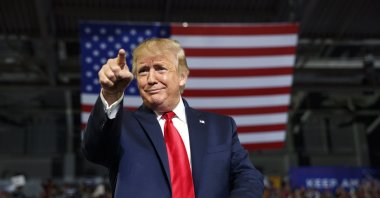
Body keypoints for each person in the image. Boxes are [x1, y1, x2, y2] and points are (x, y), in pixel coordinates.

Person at [82, 38, 264, 198]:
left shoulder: (221, 127)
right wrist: (111, 93)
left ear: (182, 77)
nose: (151, 79)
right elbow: (94, 150)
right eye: (143, 71)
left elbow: (248, 176)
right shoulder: (120, 124)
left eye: (160, 68)